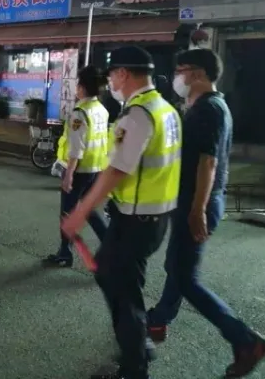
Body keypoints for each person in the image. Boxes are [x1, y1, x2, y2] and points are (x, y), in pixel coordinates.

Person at [146, 49, 265, 378]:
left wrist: (197, 209)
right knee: (177, 267)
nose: (178, 77)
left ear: (199, 74)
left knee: (185, 277)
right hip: (194, 200)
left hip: (198, 202)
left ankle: (245, 340)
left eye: (182, 70)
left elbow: (209, 161)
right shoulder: (207, 106)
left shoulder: (210, 109)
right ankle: (158, 320)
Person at [62, 46, 181, 379]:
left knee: (119, 287)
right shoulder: (166, 109)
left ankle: (134, 366)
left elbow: (117, 169)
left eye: (112, 75)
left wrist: (81, 211)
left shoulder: (138, 114)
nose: (110, 82)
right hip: (154, 217)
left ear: (124, 74)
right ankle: (138, 343)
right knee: (119, 279)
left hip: (135, 220)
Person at [43, 65, 109, 267]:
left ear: (82, 87)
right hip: (95, 168)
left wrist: (69, 174)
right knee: (88, 210)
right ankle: (110, 245)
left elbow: (77, 148)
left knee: (67, 212)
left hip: (79, 171)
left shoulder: (80, 113)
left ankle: (65, 253)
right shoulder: (101, 110)